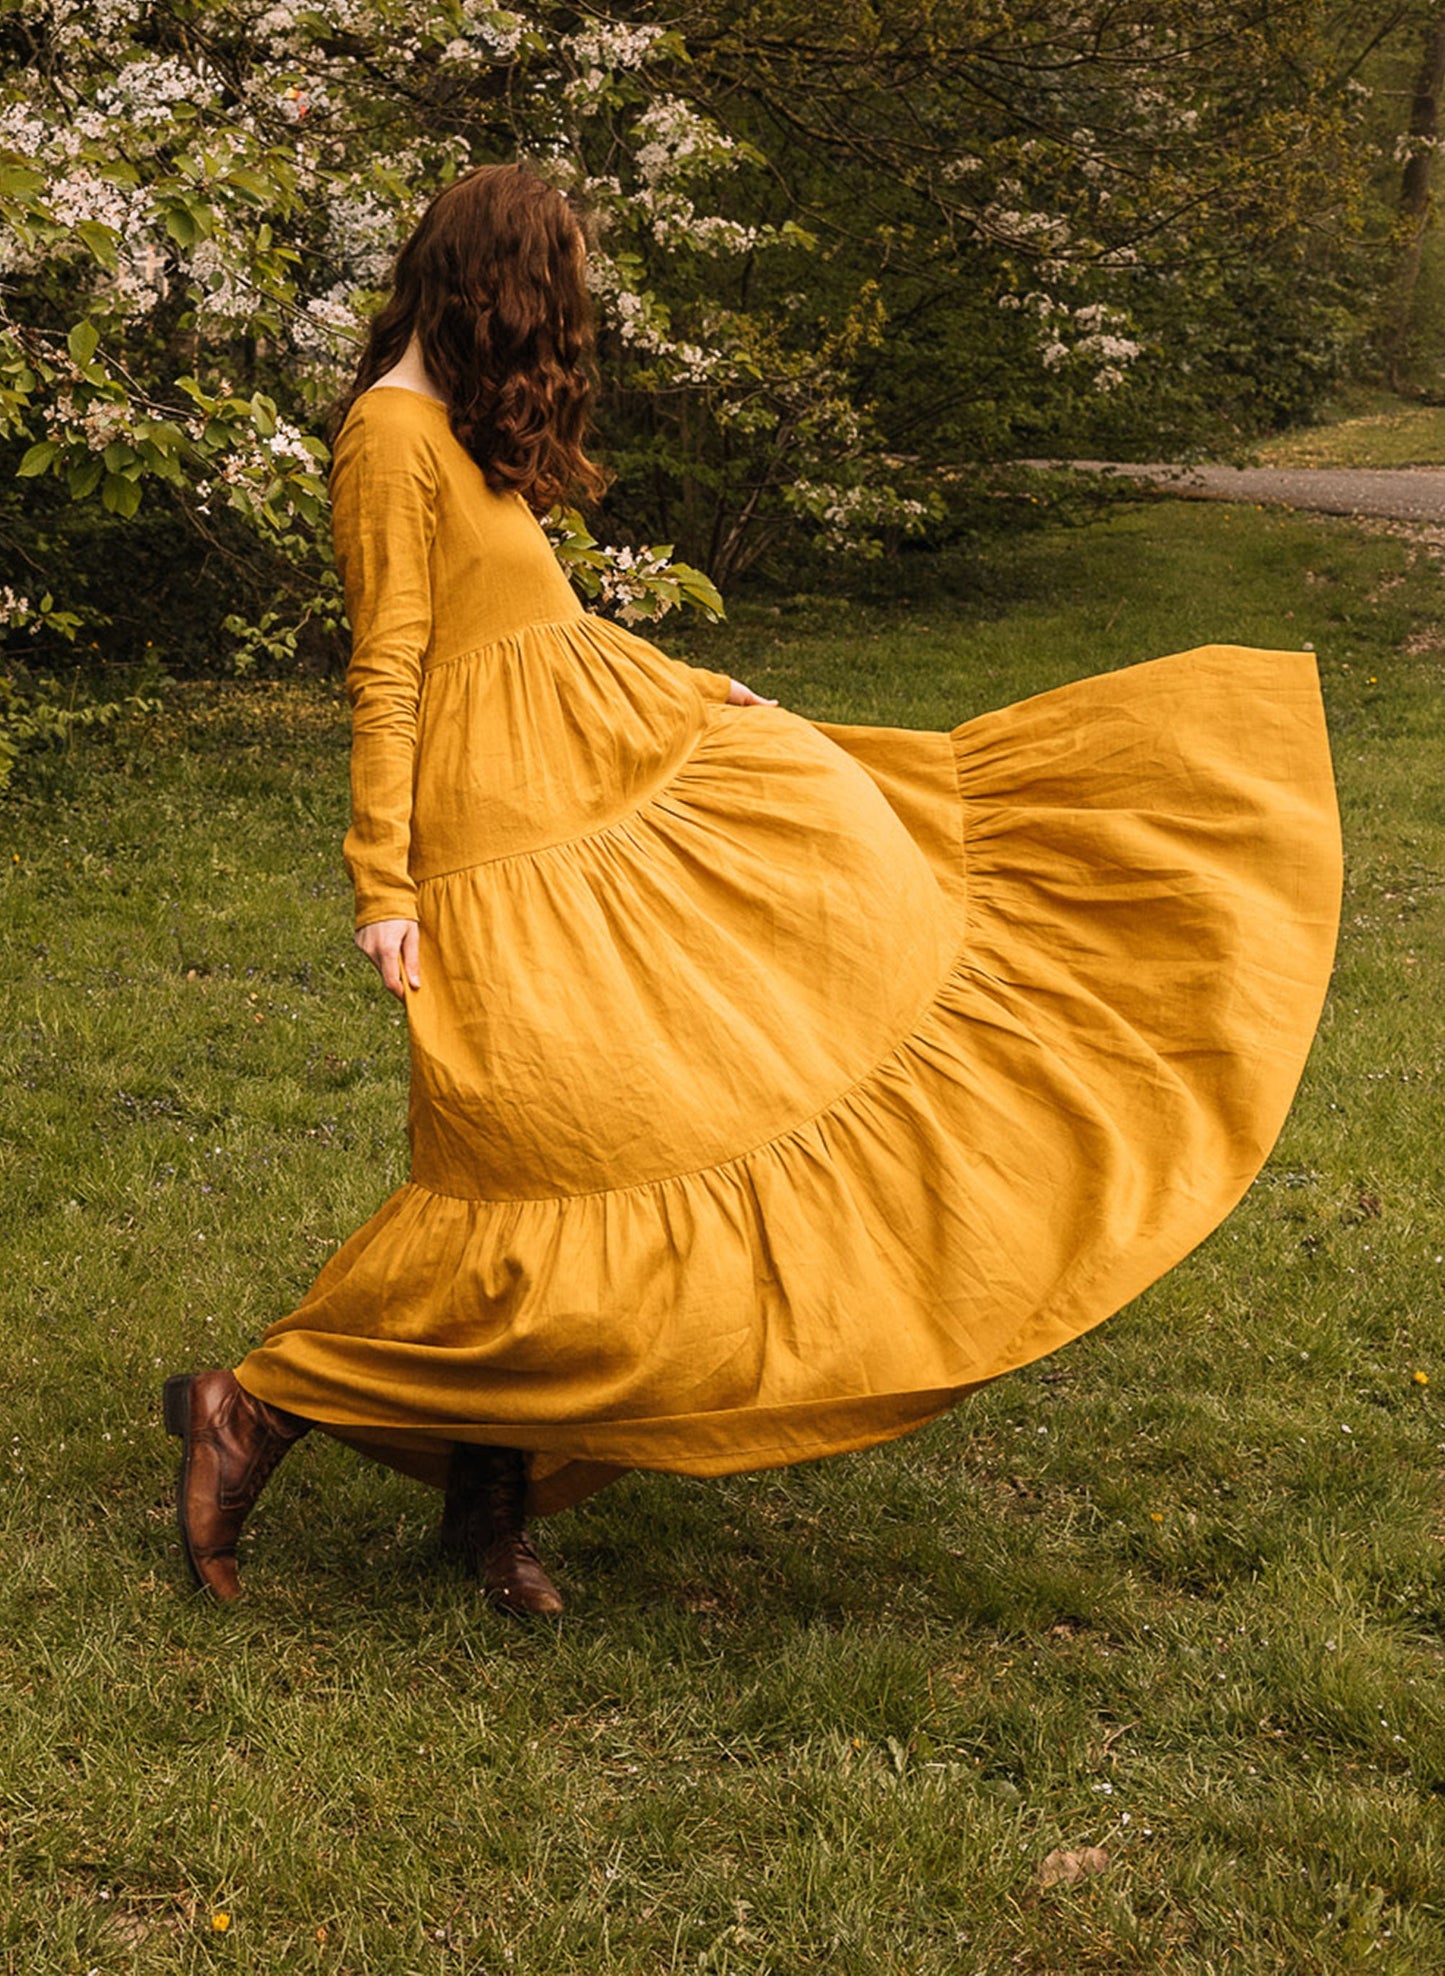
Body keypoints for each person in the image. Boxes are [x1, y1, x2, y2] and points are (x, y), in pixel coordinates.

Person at [163, 161, 1342, 1618]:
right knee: (536, 1168)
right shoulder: (387, 439)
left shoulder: (461, 436)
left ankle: (487, 1500)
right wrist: (381, 883)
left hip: (588, 799)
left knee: (579, 1150)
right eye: (557, 289)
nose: (568, 321)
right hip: (499, 850)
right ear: (498, 284)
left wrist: (691, 687)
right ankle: (256, 1407)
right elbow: (393, 667)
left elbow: (543, 628)